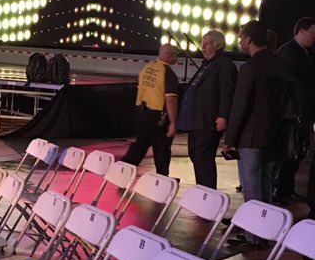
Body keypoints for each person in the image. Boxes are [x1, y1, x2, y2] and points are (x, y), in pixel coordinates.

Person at [223, 21, 288, 212]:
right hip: (274, 134)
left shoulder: (249, 68)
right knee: (266, 183)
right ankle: (266, 225)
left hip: (250, 137)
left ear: (249, 39)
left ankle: (253, 228)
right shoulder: (281, 65)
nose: (240, 42)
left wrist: (229, 139)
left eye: (241, 38)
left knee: (251, 187)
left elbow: (240, 105)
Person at [178, 29, 237, 188]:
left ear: (217, 45)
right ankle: (203, 191)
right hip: (197, 121)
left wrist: (223, 115)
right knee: (196, 155)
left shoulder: (224, 65)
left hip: (207, 121)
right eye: (202, 43)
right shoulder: (207, 64)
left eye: (207, 43)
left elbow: (227, 92)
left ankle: (207, 193)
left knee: (203, 157)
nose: (202, 47)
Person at [120, 43, 179, 175]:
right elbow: (170, 99)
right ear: (169, 55)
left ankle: (122, 170)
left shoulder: (146, 68)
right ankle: (162, 178)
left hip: (142, 114)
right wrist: (173, 122)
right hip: (158, 117)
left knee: (140, 146)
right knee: (162, 149)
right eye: (176, 55)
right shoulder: (168, 73)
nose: (177, 58)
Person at [275, 17, 315, 204]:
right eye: (313, 33)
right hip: (291, 112)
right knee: (289, 153)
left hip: (301, 111)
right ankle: (281, 190)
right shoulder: (288, 52)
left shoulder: (306, 52)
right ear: (301, 32)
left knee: (297, 153)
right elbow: (292, 82)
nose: (314, 37)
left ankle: (286, 189)